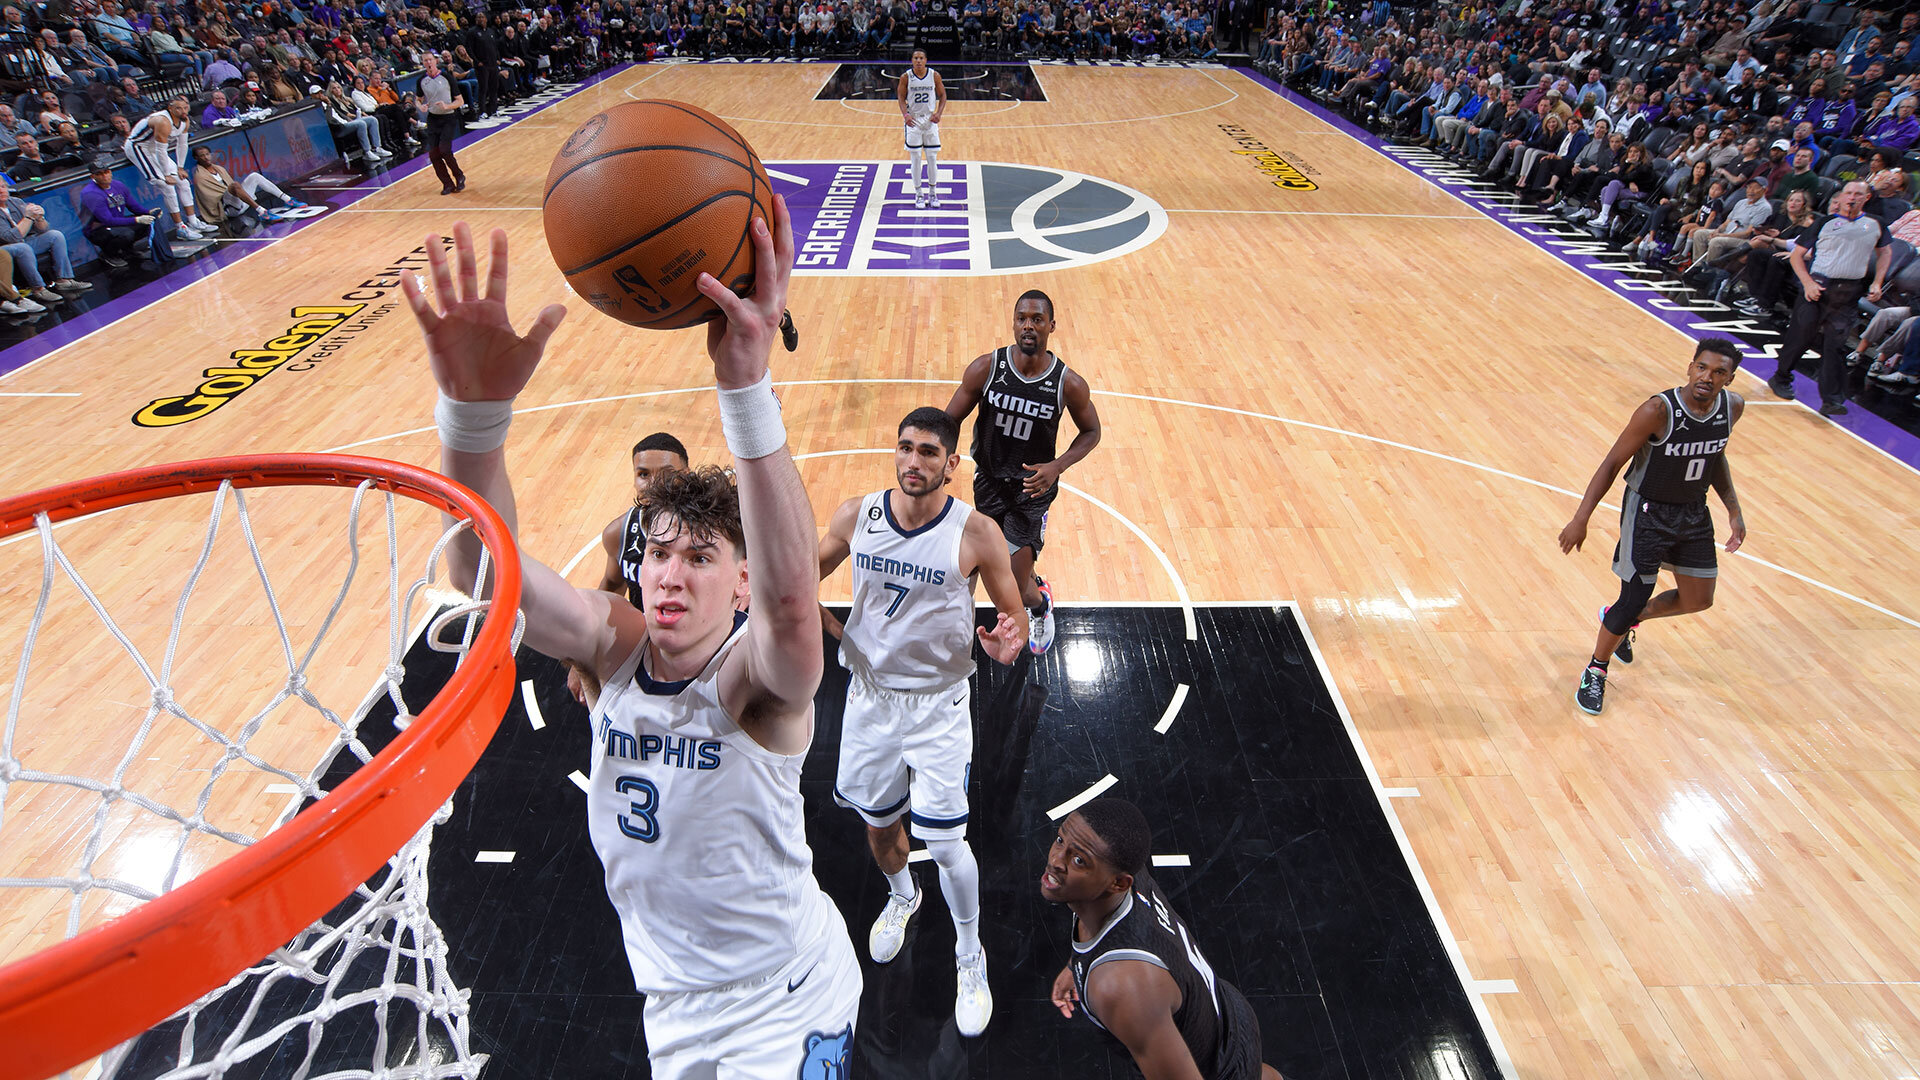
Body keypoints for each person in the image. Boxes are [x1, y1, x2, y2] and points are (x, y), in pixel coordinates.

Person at [399, 206, 859, 1077]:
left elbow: (798, 611)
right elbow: (479, 575)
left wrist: (745, 388)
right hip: (673, 996)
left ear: (745, 581)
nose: (669, 576)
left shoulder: (755, 682)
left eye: (700, 557)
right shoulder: (614, 645)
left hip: (781, 1000)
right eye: (656, 555)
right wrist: (471, 418)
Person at [816, 406, 1027, 1038]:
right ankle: (902, 895)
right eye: (905, 448)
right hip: (871, 700)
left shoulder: (978, 532)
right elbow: (799, 582)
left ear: (951, 464)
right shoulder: (858, 515)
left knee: (947, 842)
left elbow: (1011, 618)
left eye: (929, 452)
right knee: (879, 827)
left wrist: (1004, 642)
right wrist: (832, 634)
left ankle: (970, 955)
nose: (913, 462)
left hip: (939, 704)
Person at [1557, 339, 1748, 716]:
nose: (1708, 377)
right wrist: (1581, 519)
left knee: (1699, 599)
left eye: (1719, 372)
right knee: (1631, 597)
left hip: (1693, 512)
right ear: (1690, 367)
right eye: (1702, 368)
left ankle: (1634, 619)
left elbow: (1714, 456)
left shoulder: (1733, 407)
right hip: (1647, 512)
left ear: (1730, 378)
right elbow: (1612, 463)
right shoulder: (1657, 411)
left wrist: (1734, 510)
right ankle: (1596, 668)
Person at [1043, 799, 1284, 1080]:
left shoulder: (1120, 987)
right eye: (1060, 840)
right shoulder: (1115, 879)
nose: (1055, 861)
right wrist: (1076, 965)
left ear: (1118, 883)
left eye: (1078, 860)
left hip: (1218, 1069)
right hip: (1227, 1012)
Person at [944, 289, 1102, 655]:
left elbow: (1092, 431)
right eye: (1022, 318)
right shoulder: (987, 368)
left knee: (1014, 587)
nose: (1028, 326)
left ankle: (1041, 604)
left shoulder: (1068, 383)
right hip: (989, 483)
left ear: (1051, 326)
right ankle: (1025, 582)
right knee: (981, 567)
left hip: (1031, 492)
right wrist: (941, 459)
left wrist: (1057, 466)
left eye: (1036, 319)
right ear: (1013, 323)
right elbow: (949, 420)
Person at [566, 432, 694, 706]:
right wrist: (583, 660)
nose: (654, 483)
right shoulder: (619, 533)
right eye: (643, 474)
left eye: (668, 473)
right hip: (645, 645)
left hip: (704, 645)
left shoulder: (714, 533)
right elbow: (610, 589)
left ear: (687, 475)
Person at [1768, 180, 1892, 415]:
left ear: (1866, 198)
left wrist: (1877, 282)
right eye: (1848, 193)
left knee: (1835, 346)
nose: (1852, 197)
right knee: (1800, 337)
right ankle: (1780, 378)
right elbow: (1797, 256)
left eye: (1858, 193)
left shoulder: (1875, 223)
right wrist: (1807, 283)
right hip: (1818, 287)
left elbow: (1886, 252)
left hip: (1849, 292)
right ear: (1842, 197)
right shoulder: (1825, 222)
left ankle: (1832, 399)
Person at [126, 96, 216, 238]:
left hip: (154, 147)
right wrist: (167, 174)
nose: (183, 110)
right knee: (166, 184)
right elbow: (160, 151)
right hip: (139, 147)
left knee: (183, 182)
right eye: (178, 108)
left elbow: (182, 144)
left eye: (185, 107)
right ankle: (180, 228)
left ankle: (193, 221)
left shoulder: (185, 121)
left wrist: (180, 167)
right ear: (170, 109)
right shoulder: (163, 121)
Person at [0, 179, 91, 295]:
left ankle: (64, 280)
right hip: (6, 249)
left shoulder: (16, 202)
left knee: (55, 235)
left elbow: (43, 229)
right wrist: (28, 217)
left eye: (3, 187)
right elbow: (11, 238)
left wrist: (39, 217)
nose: (1, 190)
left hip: (27, 241)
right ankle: (39, 289)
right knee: (23, 247)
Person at [191, 144, 304, 226]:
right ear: (196, 158)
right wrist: (232, 190)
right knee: (235, 185)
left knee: (254, 176)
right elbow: (210, 199)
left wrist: (236, 191)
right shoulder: (200, 176)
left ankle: (288, 199)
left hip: (238, 202)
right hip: (227, 209)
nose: (206, 157)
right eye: (202, 155)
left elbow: (230, 187)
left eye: (207, 154)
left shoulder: (218, 168)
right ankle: (262, 212)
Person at [78, 159, 155, 267]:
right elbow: (107, 220)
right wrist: (136, 219)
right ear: (93, 177)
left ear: (110, 172)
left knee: (148, 224)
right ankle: (108, 254)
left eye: (106, 172)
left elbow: (133, 206)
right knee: (126, 233)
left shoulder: (118, 185)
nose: (104, 176)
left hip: (115, 224)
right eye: (99, 174)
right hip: (97, 229)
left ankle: (128, 250)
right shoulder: (90, 193)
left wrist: (149, 212)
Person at [898, 48, 946, 209]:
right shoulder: (906, 77)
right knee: (916, 158)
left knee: (932, 158)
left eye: (921, 58)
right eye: (915, 58)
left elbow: (943, 95)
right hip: (914, 120)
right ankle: (919, 194)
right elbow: (900, 97)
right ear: (912, 60)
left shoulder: (934, 75)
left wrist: (939, 113)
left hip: (930, 119)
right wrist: (905, 115)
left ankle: (933, 193)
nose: (918, 61)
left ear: (926, 60)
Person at [417, 52, 466, 195]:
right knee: (434, 155)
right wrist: (421, 106)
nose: (428, 63)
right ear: (423, 63)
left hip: (448, 118)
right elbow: (418, 99)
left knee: (444, 150)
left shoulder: (447, 78)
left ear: (435, 61)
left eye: (430, 60)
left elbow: (460, 101)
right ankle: (447, 184)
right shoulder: (421, 80)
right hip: (433, 118)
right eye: (425, 61)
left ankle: (459, 175)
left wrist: (447, 106)